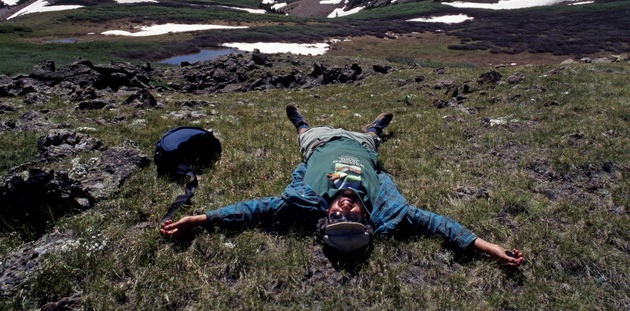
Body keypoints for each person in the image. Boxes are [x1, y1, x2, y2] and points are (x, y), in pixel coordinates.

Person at [160, 105, 523, 267]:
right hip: (361, 147)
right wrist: (490, 248)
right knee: (370, 137)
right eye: (352, 217)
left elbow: (252, 210)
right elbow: (438, 225)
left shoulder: (305, 201)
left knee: (306, 133)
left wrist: (198, 219)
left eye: (336, 218)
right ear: (367, 219)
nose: (343, 209)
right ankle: (377, 126)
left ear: (326, 216)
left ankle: (299, 122)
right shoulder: (388, 208)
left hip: (319, 145)